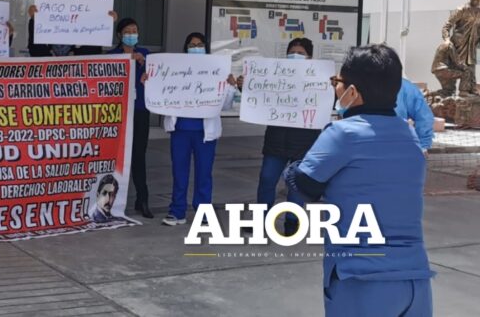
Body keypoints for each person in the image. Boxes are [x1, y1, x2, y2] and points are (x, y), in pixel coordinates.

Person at [285, 45, 433, 316]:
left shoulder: (343, 133)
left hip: (362, 280)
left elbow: (304, 185)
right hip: (415, 279)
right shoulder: (408, 134)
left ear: (352, 92)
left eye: (338, 82)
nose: (336, 89)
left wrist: (292, 165)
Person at [239, 38, 322, 236]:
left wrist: (331, 86)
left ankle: (292, 223)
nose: (296, 56)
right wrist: (245, 85)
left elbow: (330, 101)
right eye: (292, 52)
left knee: (295, 184)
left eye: (301, 53)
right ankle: (262, 221)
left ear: (309, 57)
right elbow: (259, 94)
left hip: (305, 141)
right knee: (267, 179)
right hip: (276, 140)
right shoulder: (276, 75)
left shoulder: (319, 79)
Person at [155, 32, 236, 226]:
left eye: (199, 44)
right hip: (181, 130)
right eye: (192, 45)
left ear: (205, 48)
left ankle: (203, 214)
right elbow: (161, 92)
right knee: (179, 172)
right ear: (186, 48)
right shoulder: (174, 69)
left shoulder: (216, 70)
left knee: (204, 174)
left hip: (204, 132)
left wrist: (230, 87)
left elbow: (224, 105)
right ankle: (177, 212)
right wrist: (150, 80)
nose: (196, 48)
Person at [106, 18, 153, 218]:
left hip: (140, 110)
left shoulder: (146, 55)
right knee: (114, 156)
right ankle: (109, 200)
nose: (131, 34)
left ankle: (142, 199)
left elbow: (158, 77)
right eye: (127, 31)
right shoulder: (112, 56)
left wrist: (144, 66)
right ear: (119, 35)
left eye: (135, 30)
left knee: (138, 157)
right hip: (118, 112)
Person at [440, 0, 480, 96]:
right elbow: (447, 25)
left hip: (472, 44)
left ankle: (471, 89)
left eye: (478, 0)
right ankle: (459, 91)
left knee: (471, 66)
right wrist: (447, 39)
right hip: (459, 44)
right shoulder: (461, 9)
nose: (475, 1)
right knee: (459, 66)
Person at [396, 78, 435, 155]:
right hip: (398, 143)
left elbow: (424, 117)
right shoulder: (405, 85)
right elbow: (424, 117)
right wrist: (423, 145)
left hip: (367, 142)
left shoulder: (404, 86)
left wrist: (423, 144)